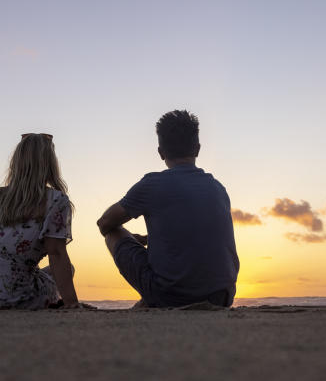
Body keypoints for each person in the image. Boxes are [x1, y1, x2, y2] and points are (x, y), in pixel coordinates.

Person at [96, 110, 239, 307]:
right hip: (222, 297)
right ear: (197, 149)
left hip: (170, 297)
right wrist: (149, 240)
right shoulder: (218, 188)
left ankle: (152, 299)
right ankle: (148, 301)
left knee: (114, 231)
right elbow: (197, 232)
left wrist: (132, 239)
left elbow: (104, 223)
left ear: (161, 152)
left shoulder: (151, 185)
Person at [0, 133, 81, 309]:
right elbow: (56, 253)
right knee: (67, 270)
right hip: (8, 293)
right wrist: (72, 303)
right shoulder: (54, 200)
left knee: (31, 272)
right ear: (51, 164)